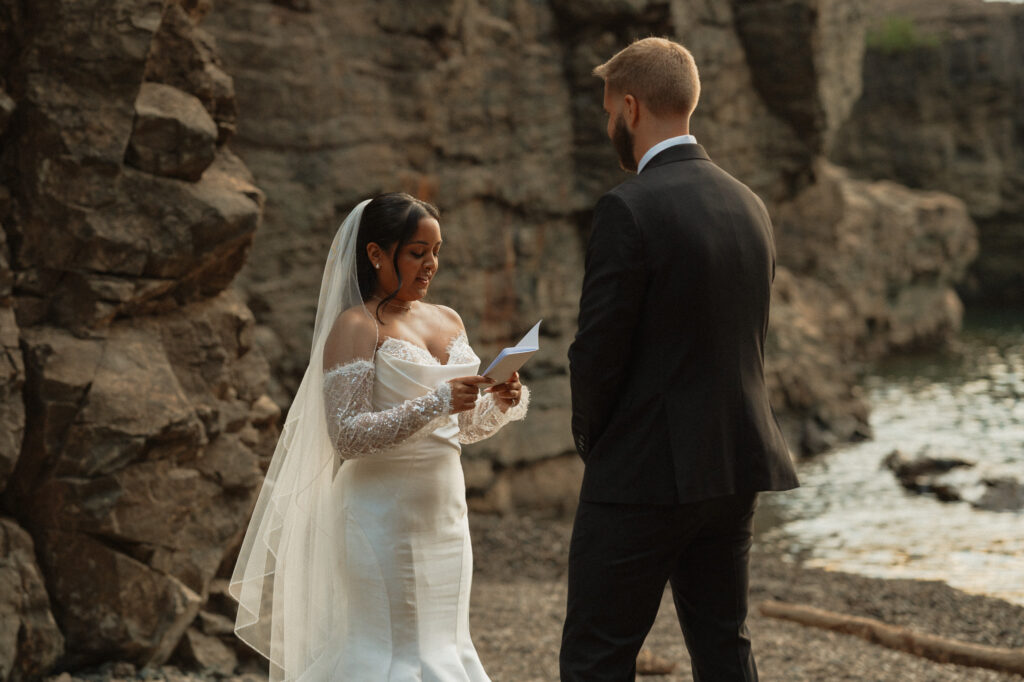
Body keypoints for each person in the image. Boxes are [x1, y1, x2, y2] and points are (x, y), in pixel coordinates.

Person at [560, 37, 799, 681]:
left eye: (609, 110)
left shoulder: (627, 206)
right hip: (734, 461)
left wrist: (594, 440)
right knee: (725, 645)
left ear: (631, 108)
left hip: (643, 468)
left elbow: (598, 351)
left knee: (597, 656)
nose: (608, 123)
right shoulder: (750, 205)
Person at [230, 192, 528, 681]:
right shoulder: (355, 326)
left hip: (445, 513)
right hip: (379, 515)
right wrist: (437, 401)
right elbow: (345, 435)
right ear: (375, 254)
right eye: (416, 252)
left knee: (444, 644)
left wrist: (499, 400)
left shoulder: (447, 319)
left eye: (436, 251)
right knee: (387, 651)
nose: (430, 264)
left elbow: (462, 429)